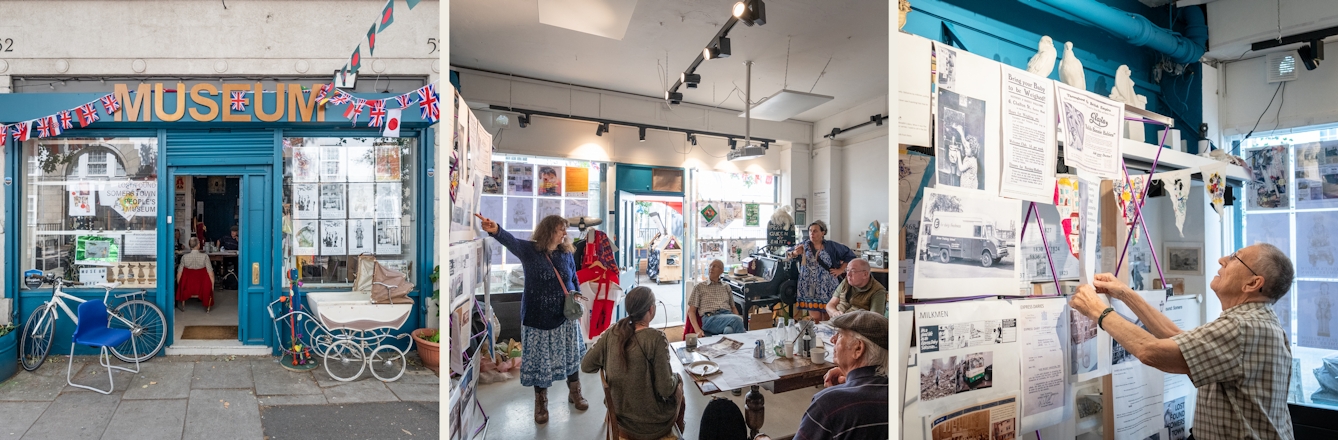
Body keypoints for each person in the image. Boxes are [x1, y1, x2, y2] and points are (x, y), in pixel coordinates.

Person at [1069, 243, 1295, 439]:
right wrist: (1125, 293)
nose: (1223, 259)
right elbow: (1176, 337)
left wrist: (1098, 310)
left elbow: (1151, 351)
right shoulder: (1254, 320)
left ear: (1253, 283)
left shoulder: (1243, 326)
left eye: (1235, 257)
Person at [476, 213, 589, 424]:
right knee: (540, 362)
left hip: (564, 317)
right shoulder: (530, 251)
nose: (565, 233)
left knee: (570, 355)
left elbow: (573, 278)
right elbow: (510, 241)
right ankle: (541, 401)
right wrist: (495, 229)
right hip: (537, 319)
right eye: (560, 229)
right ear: (548, 232)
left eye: (565, 229)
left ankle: (575, 392)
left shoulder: (566, 253)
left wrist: (577, 299)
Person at [581, 286, 684, 440]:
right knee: (679, 387)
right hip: (651, 424)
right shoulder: (656, 338)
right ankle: (678, 434)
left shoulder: (613, 332)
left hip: (619, 416)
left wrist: (610, 362)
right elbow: (665, 389)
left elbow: (586, 365)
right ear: (651, 309)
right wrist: (677, 378)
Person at [795, 310, 889, 440]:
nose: (832, 340)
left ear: (858, 349)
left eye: (839, 335)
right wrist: (848, 376)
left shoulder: (827, 403)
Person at [787, 220, 858, 322]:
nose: (812, 233)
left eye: (815, 231)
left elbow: (850, 255)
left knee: (829, 316)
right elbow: (785, 254)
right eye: (810, 230)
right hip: (809, 286)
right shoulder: (804, 245)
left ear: (823, 232)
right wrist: (795, 253)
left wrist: (840, 270)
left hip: (827, 286)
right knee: (815, 318)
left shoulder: (831, 246)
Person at [688, 260, 745, 337]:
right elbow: (691, 311)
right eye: (710, 266)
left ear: (721, 271)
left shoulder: (726, 286)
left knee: (729, 330)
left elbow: (733, 307)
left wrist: (736, 318)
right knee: (737, 320)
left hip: (726, 315)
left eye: (715, 266)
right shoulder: (699, 287)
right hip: (710, 318)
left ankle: (727, 348)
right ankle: (746, 344)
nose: (711, 268)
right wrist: (697, 330)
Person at [176, 238, 216, 312]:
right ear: (198, 245)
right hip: (202, 286)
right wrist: (212, 286)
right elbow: (211, 273)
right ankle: (207, 308)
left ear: (189, 245)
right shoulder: (205, 257)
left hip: (188, 286)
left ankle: (183, 306)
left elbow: (179, 274)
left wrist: (180, 286)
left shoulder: (184, 257)